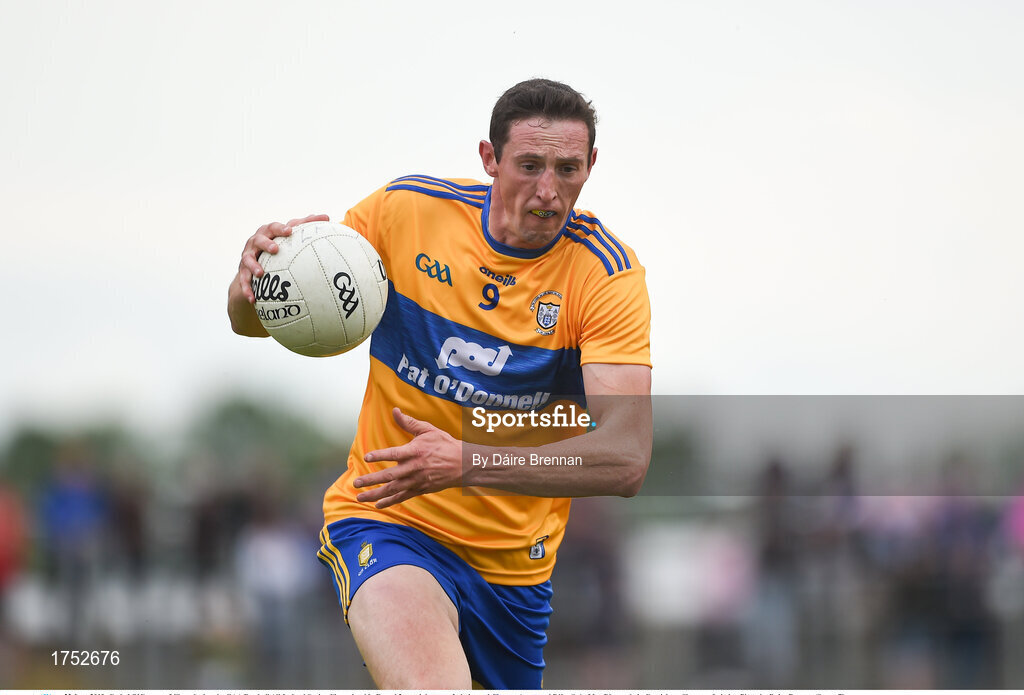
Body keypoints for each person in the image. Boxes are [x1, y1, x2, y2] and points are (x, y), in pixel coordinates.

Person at [227, 78, 652, 689]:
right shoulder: (406, 213)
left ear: (591, 166)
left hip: (513, 573)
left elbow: (626, 458)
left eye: (568, 169)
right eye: (529, 166)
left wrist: (464, 462)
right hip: (388, 522)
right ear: (489, 158)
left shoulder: (605, 276)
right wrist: (251, 289)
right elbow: (266, 321)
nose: (548, 190)